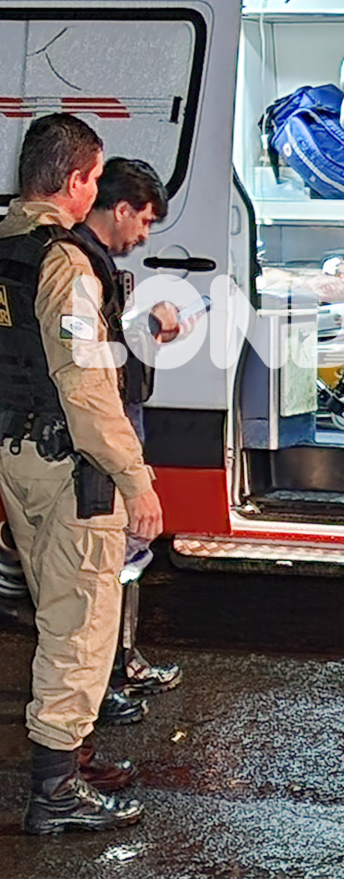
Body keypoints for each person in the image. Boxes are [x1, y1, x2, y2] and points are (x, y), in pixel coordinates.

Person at [0, 114, 162, 833]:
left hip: (19, 460)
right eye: (95, 179)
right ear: (74, 182)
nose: (95, 190)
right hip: (72, 466)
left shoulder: (6, 246)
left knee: (57, 612)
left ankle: (72, 752)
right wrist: (137, 478)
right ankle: (56, 792)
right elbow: (87, 386)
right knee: (81, 625)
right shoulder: (62, 262)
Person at [73, 158, 183, 712]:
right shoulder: (78, 266)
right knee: (103, 564)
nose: (143, 236)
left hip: (109, 427)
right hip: (98, 437)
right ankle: (100, 689)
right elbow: (93, 366)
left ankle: (119, 666)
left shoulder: (91, 265)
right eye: (142, 222)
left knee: (124, 555)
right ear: (119, 210)